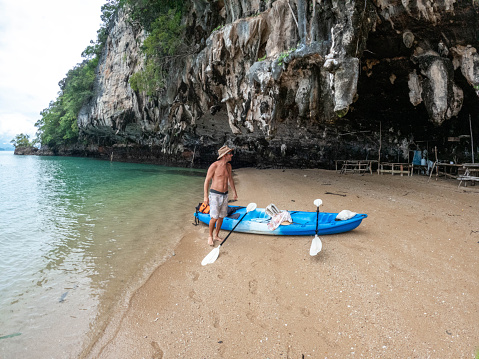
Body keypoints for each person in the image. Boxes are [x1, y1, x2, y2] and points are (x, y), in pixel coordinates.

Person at [203, 145, 238, 246]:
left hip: (225, 195)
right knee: (214, 217)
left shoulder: (228, 166)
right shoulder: (214, 166)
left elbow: (230, 180)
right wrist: (205, 197)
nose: (232, 155)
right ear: (224, 155)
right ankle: (210, 236)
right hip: (215, 195)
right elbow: (207, 181)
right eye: (230, 154)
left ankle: (216, 235)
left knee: (221, 217)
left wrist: (234, 192)